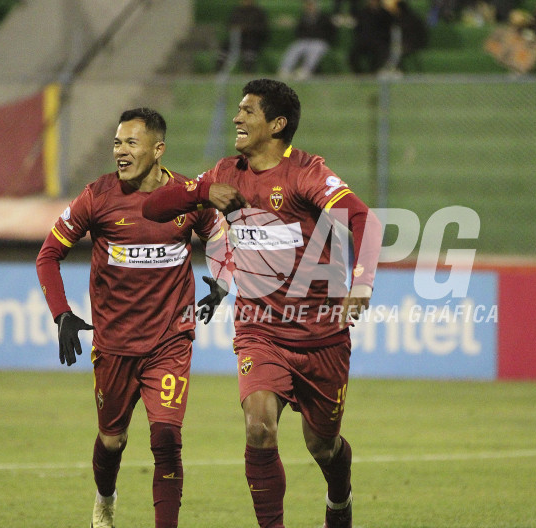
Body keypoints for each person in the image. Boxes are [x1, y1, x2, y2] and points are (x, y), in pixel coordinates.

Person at [142, 78, 383, 528]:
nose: (237, 117)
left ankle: (339, 498)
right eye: (238, 109)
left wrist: (362, 282)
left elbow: (364, 219)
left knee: (322, 446)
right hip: (259, 328)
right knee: (258, 428)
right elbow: (153, 208)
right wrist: (198, 193)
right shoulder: (224, 173)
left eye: (248, 111)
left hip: (321, 336)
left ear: (277, 124)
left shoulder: (306, 174)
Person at [36, 108, 224, 528]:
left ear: (158, 150)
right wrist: (61, 314)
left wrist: (223, 277)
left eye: (130, 143)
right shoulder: (97, 196)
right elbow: (48, 254)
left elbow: (218, 234)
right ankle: (105, 498)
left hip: (170, 340)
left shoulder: (188, 195)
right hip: (114, 344)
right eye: (118, 142)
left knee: (167, 438)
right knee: (112, 440)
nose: (120, 151)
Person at [278, 0, 337, 80]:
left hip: (319, 41)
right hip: (305, 41)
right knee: (294, 48)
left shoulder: (325, 18)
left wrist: (325, 40)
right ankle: (285, 69)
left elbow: (331, 31)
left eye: (311, 5)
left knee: (314, 51)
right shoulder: (303, 18)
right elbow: (298, 31)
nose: (310, 8)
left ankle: (305, 71)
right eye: (308, 6)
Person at [215, 0, 270, 73]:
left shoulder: (258, 12)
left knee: (250, 47)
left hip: (253, 37)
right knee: (226, 45)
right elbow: (229, 24)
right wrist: (234, 28)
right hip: (237, 38)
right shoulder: (237, 11)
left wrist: (246, 28)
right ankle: (219, 69)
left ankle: (248, 70)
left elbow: (262, 28)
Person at [348, 0, 395, 74]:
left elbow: (388, 29)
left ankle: (372, 73)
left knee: (381, 54)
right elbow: (358, 28)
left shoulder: (385, 14)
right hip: (364, 40)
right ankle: (359, 74)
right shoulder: (363, 13)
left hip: (380, 41)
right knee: (352, 55)